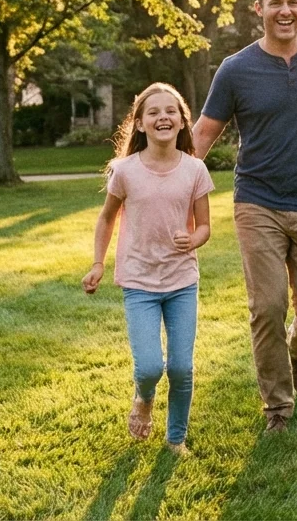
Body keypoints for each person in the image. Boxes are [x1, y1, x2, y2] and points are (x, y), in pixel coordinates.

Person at [192, 0, 297, 432]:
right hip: (256, 201)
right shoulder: (236, 69)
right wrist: (174, 188)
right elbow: (203, 133)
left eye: (293, 2)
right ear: (258, 9)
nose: (285, 11)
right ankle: (278, 407)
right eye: (275, 3)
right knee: (268, 306)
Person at [82, 83, 214, 455]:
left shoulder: (195, 170)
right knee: (150, 368)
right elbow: (107, 218)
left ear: (182, 121)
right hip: (139, 282)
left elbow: (204, 225)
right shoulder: (125, 171)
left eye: (170, 111)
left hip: (181, 281)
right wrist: (97, 264)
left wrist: (194, 239)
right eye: (153, 112)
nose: (163, 117)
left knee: (182, 367)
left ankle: (176, 439)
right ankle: (143, 396)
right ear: (139, 124)